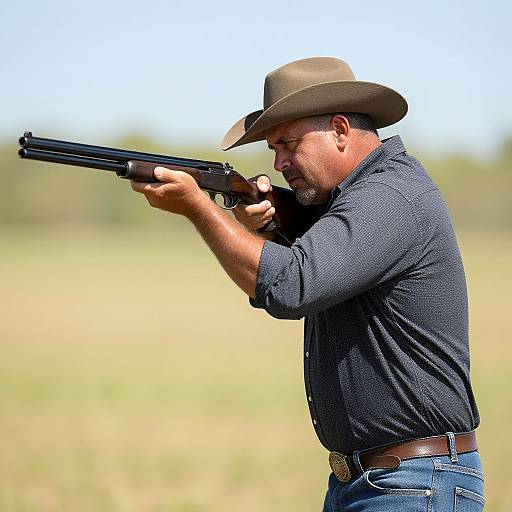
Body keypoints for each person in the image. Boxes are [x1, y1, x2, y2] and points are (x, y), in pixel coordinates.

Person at [130, 57, 484, 511]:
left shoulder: (390, 196)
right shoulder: (352, 202)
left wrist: (200, 207)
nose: (278, 163)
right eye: (273, 149)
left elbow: (293, 285)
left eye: (288, 144)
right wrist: (272, 225)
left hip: (415, 484)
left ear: (340, 129)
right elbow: (313, 258)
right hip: (371, 481)